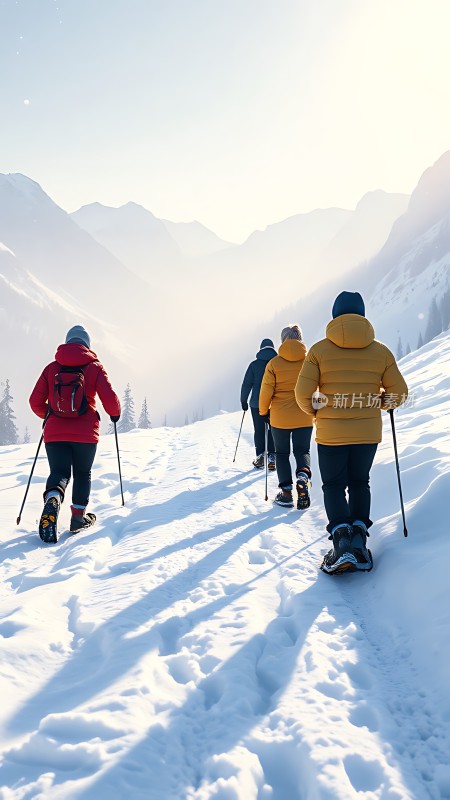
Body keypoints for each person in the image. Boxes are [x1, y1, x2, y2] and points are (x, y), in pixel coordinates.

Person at [295, 291, 408, 574]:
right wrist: (376, 404)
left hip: (331, 434)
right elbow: (400, 393)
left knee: (333, 486)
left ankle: (341, 544)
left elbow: (302, 394)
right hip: (367, 434)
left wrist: (318, 411)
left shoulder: (319, 351)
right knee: (360, 482)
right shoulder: (380, 351)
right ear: (362, 314)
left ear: (335, 316)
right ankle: (358, 541)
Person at [29, 325, 121, 543]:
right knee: (82, 473)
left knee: (59, 472)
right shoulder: (95, 368)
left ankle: (53, 498)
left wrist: (50, 415)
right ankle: (78, 519)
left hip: (55, 433)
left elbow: (34, 402)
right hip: (86, 434)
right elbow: (111, 401)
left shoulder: (51, 368)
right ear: (86, 345)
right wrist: (115, 415)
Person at [259, 325, 314, 508]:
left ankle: (286, 494)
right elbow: (317, 388)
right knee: (302, 451)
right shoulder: (310, 362)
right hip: (305, 415)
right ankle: (303, 476)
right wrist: (317, 410)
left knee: (282, 454)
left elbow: (266, 391)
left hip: (280, 418)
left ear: (283, 340)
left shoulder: (274, 364)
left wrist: (263, 412)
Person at [240, 338, 277, 470]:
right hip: (274, 403)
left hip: (256, 404)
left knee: (259, 430)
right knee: (273, 429)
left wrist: (243, 401)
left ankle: (261, 456)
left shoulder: (254, 365)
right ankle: (272, 457)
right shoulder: (278, 363)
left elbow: (246, 384)